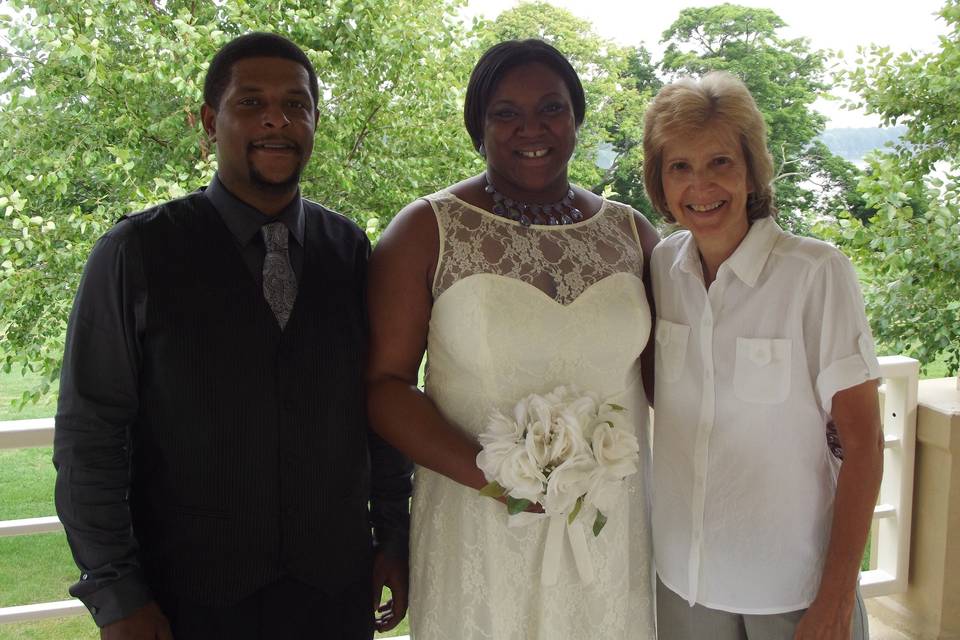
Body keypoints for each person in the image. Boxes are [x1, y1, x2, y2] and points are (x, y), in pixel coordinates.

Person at [53, 32, 412, 640]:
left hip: (333, 595)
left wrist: (394, 538)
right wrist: (116, 595)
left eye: (297, 104)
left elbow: (379, 406)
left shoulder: (350, 250)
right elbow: (91, 432)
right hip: (185, 601)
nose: (277, 117)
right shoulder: (135, 252)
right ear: (208, 120)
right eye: (250, 102)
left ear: (315, 122)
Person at [366, 39, 659, 639]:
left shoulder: (633, 233)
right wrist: (504, 481)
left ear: (577, 118)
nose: (533, 128)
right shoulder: (427, 230)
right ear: (479, 127)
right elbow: (384, 387)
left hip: (611, 525)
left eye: (551, 108)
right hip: (478, 524)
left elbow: (675, 382)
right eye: (506, 113)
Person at [644, 71, 883, 640]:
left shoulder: (815, 274)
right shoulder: (659, 269)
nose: (701, 185)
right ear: (660, 182)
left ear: (751, 170)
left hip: (791, 589)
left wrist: (835, 598)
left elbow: (864, 443)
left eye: (720, 162)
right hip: (683, 582)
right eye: (680, 166)